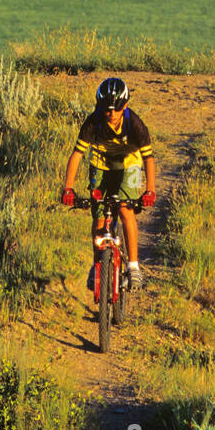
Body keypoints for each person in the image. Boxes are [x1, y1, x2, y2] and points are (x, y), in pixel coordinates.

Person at [61, 76, 156, 289]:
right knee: (99, 215)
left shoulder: (135, 124)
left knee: (125, 209)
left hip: (129, 164)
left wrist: (150, 190)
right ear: (99, 107)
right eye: (106, 109)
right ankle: (97, 266)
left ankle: (133, 266)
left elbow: (149, 158)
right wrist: (68, 187)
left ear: (125, 106)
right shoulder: (93, 122)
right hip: (101, 164)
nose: (111, 114)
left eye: (116, 109)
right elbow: (77, 154)